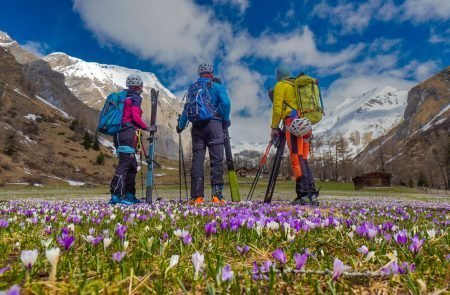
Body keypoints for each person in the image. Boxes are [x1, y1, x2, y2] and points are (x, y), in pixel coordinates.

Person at [177, 63, 231, 204]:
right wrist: (225, 119)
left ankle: (197, 197)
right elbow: (226, 103)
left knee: (198, 161)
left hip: (197, 127)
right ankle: (217, 196)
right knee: (216, 160)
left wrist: (180, 126)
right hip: (214, 125)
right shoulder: (217, 86)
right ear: (211, 74)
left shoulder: (193, 89)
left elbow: (186, 109)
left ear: (199, 74)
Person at [270, 64, 319, 206]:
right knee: (303, 159)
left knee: (296, 159)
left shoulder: (281, 85)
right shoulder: (296, 85)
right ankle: (311, 194)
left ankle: (303, 195)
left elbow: (277, 109)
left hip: (293, 124)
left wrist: (274, 127)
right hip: (305, 124)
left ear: (278, 76)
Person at [109, 74, 155, 205]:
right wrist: (147, 127)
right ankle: (117, 196)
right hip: (127, 133)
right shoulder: (135, 97)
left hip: (119, 133)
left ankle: (129, 195)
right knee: (125, 164)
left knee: (132, 165)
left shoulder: (123, 97)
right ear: (139, 85)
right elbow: (135, 116)